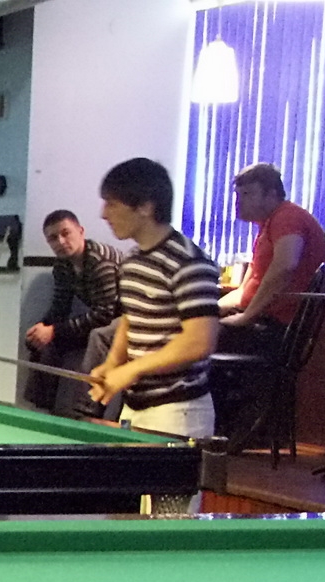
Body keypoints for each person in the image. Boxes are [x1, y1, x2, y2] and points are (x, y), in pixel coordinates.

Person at [87, 158, 221, 437]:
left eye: (112, 204)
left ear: (146, 207)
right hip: (134, 405)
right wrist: (113, 363)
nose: (103, 213)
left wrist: (133, 369)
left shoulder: (189, 262)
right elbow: (131, 319)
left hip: (178, 411)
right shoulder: (131, 260)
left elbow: (200, 341)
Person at [213, 163, 325, 441]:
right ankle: (221, 426)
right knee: (196, 328)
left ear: (272, 194)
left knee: (196, 341)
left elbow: (285, 266)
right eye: (238, 195)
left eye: (248, 194)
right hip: (268, 324)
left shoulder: (287, 218)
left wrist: (246, 317)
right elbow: (247, 290)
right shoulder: (268, 226)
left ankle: (213, 430)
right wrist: (208, 308)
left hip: (277, 330)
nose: (239, 202)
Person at [23, 209, 122, 416]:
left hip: (129, 318)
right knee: (46, 339)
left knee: (98, 336)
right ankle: (41, 409)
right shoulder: (62, 266)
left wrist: (54, 330)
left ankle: (87, 412)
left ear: (81, 231)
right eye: (53, 238)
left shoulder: (100, 261)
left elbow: (105, 315)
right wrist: (41, 330)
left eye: (65, 233)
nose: (60, 241)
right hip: (103, 317)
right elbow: (59, 308)